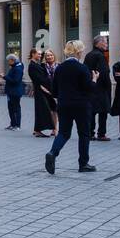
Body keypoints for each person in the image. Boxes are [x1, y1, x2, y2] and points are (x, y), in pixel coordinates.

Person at [44, 40, 97, 174]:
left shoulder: (59, 68)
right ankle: (83, 164)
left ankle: (52, 153)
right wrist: (94, 79)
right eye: (82, 50)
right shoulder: (82, 68)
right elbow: (89, 88)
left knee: (64, 133)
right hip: (81, 105)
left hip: (64, 104)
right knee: (84, 134)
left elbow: (54, 91)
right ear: (78, 51)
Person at [83, 36, 112, 142]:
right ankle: (101, 133)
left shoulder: (88, 55)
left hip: (91, 86)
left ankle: (90, 133)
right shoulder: (100, 56)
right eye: (105, 42)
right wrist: (108, 87)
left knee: (92, 111)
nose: (106, 44)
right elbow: (104, 72)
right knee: (103, 112)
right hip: (101, 88)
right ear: (98, 43)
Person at [28, 49, 54, 138]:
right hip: (40, 90)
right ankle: (38, 130)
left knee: (41, 109)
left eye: (40, 54)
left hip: (41, 89)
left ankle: (37, 130)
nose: (40, 56)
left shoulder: (36, 64)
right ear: (33, 54)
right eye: (38, 54)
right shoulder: (32, 65)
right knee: (42, 110)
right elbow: (38, 79)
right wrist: (46, 87)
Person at [3, 53, 24, 130]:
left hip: (15, 92)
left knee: (16, 108)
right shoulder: (14, 67)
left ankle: (17, 125)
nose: (8, 62)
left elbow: (15, 81)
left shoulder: (18, 69)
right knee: (11, 108)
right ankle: (12, 124)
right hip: (11, 92)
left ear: (13, 60)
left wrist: (4, 77)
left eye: (9, 61)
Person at [43, 49, 60, 132]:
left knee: (55, 110)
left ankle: (55, 128)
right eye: (47, 56)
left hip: (56, 91)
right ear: (45, 57)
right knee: (49, 110)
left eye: (51, 55)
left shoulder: (59, 66)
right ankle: (51, 127)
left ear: (54, 56)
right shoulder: (43, 66)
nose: (49, 57)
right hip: (46, 91)